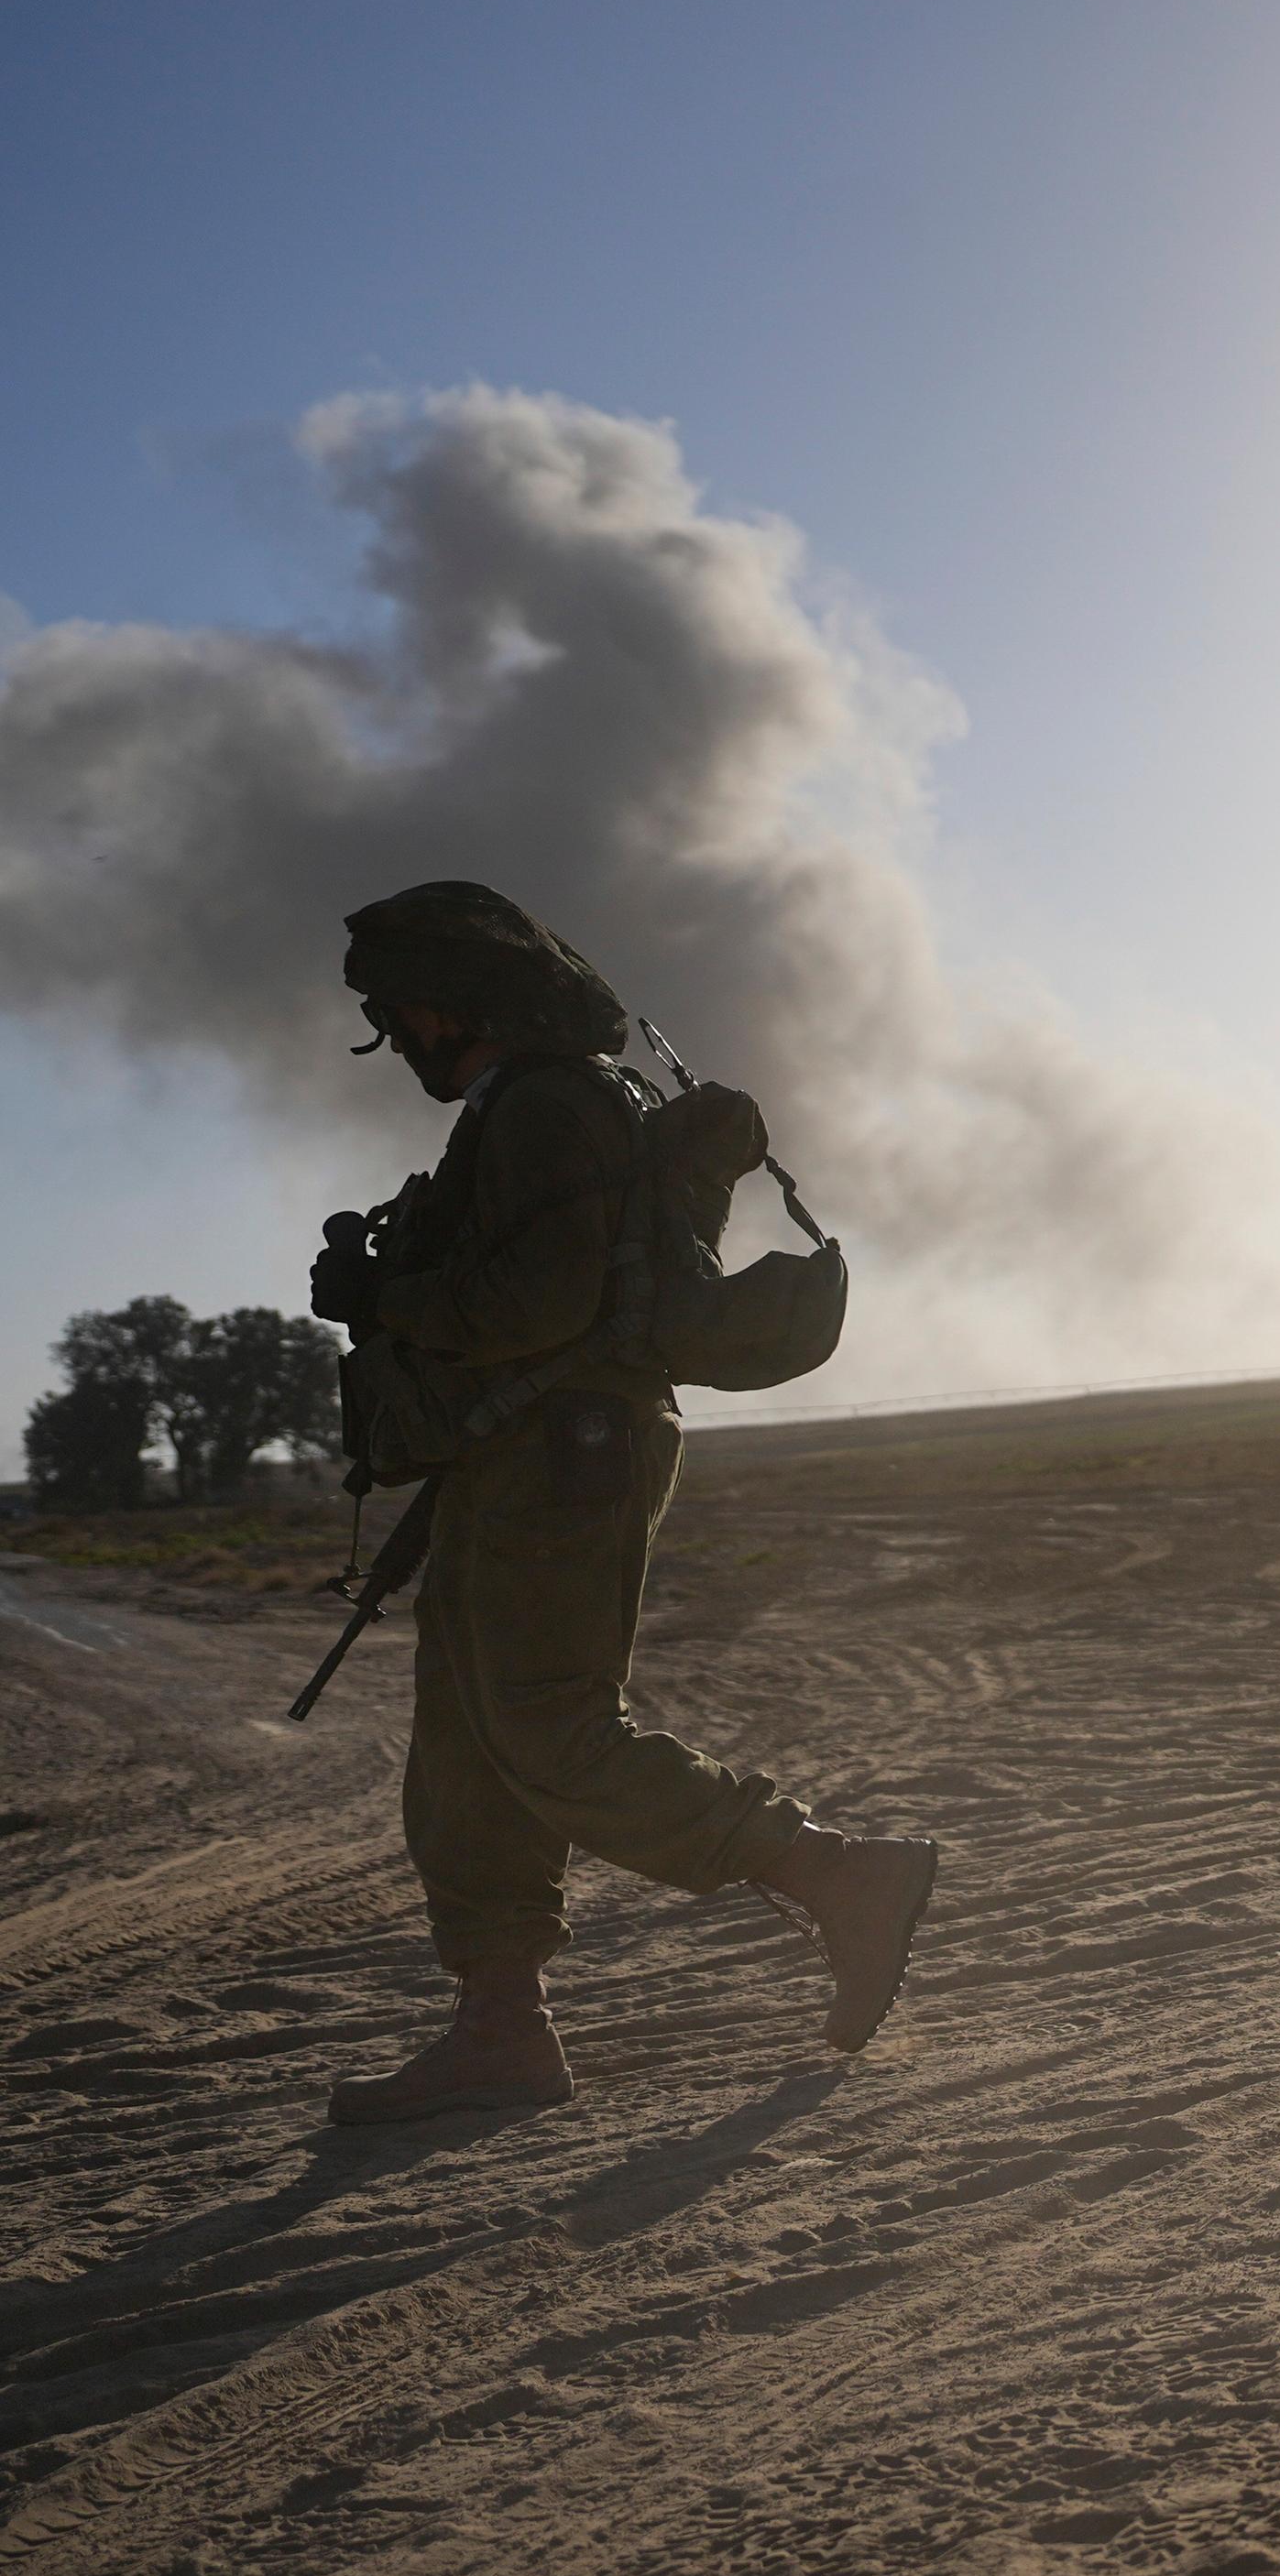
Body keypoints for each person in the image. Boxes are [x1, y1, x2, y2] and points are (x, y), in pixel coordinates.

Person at [311, 880, 935, 2124]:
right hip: (520, 1452)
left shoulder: (551, 1102)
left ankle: (840, 1875)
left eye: (404, 1009)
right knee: (467, 1748)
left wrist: (388, 1303)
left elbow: (540, 1301)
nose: (401, 1034)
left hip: (564, 1451)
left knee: (546, 1728)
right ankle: (500, 2029)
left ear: (455, 1001)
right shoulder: (537, 1101)